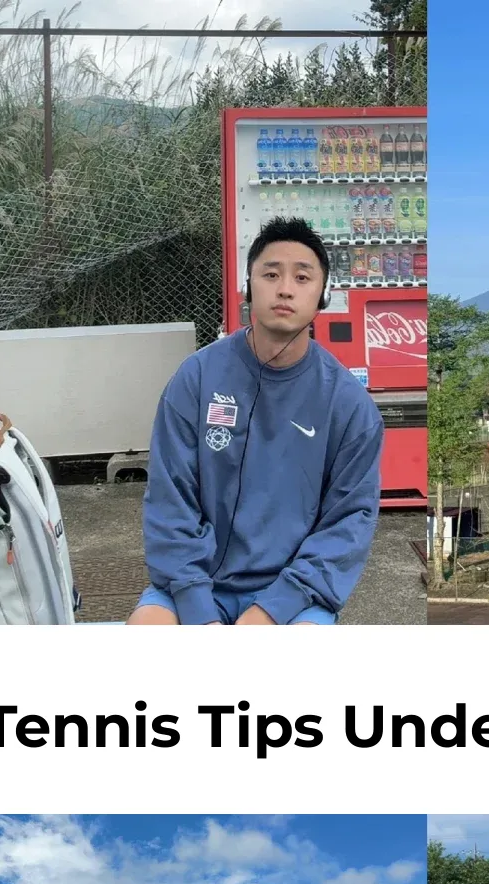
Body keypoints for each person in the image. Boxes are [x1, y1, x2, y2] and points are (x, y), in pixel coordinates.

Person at [128, 216, 383, 626]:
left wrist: (268, 612)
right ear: (249, 286)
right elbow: (169, 499)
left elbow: (349, 522)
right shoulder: (196, 378)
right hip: (192, 583)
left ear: (323, 296)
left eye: (302, 277)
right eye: (271, 273)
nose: (285, 288)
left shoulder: (349, 405)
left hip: (292, 592)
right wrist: (199, 609)